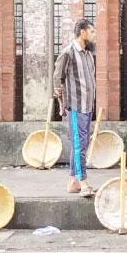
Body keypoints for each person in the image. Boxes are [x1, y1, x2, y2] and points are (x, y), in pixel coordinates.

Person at [53, 19, 97, 198]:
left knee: (82, 144)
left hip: (87, 106)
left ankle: (73, 181)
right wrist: (62, 104)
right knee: (79, 145)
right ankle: (83, 182)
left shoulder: (88, 54)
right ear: (82, 32)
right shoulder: (68, 52)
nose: (94, 35)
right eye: (91, 31)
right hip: (76, 106)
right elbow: (58, 79)